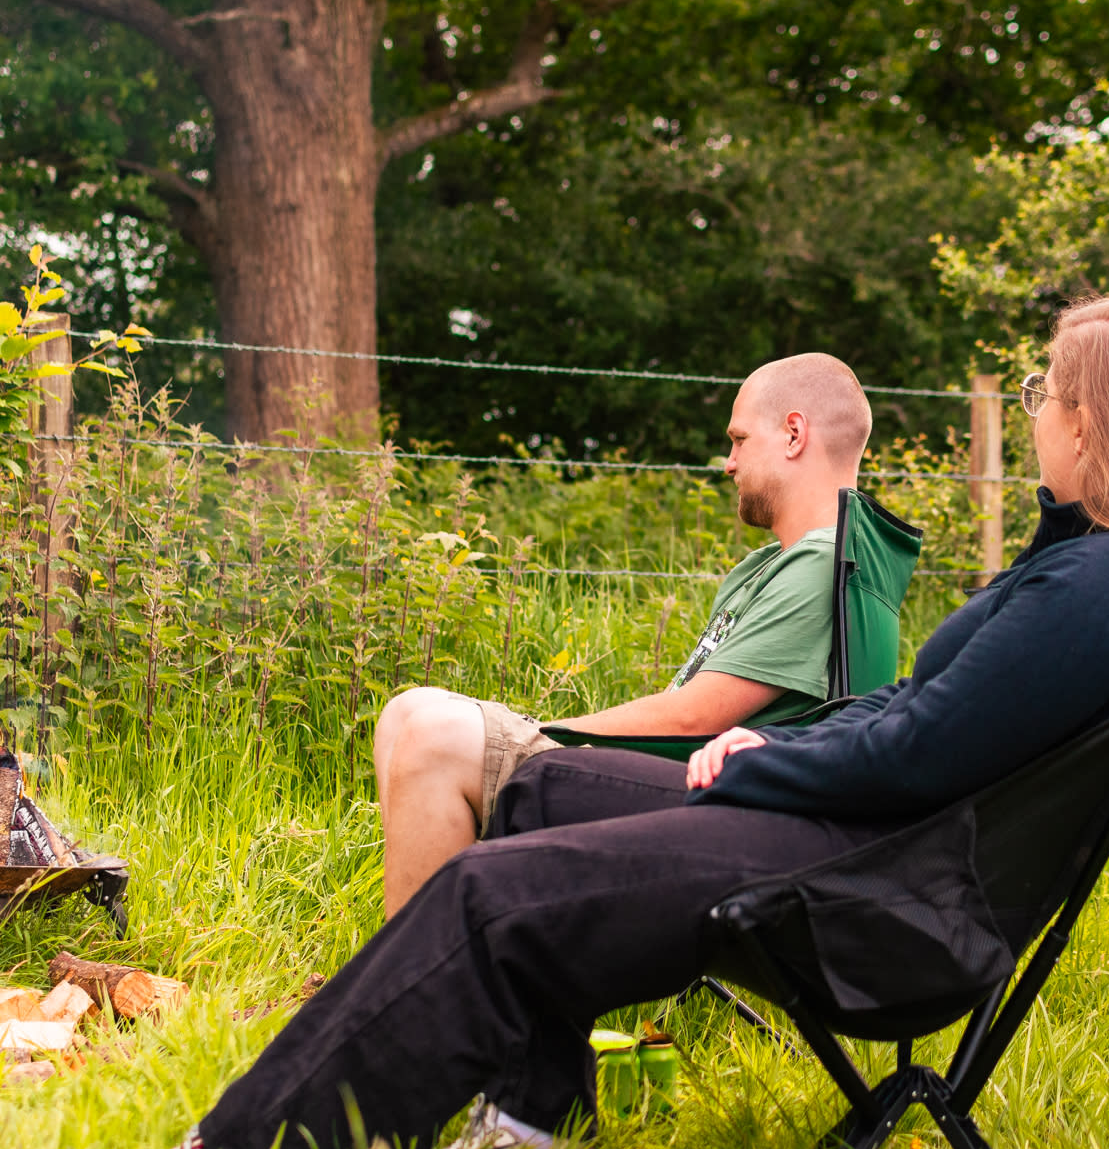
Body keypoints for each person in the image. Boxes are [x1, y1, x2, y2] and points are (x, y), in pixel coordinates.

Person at [96, 296, 1109, 1149]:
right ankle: (533, 1135)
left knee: (486, 894)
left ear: (1097, 415)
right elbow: (937, 723)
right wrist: (770, 741)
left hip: (876, 893)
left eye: (1046, 388)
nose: (1033, 408)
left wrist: (753, 761)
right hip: (888, 856)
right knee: (538, 787)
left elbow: (922, 747)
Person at [372, 352, 873, 916]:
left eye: (738, 439)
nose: (728, 462)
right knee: (406, 712)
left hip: (698, 804)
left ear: (793, 434)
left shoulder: (817, 567)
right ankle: (435, 968)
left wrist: (555, 734)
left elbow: (695, 717)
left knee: (434, 736)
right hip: (676, 780)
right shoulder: (777, 565)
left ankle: (420, 992)